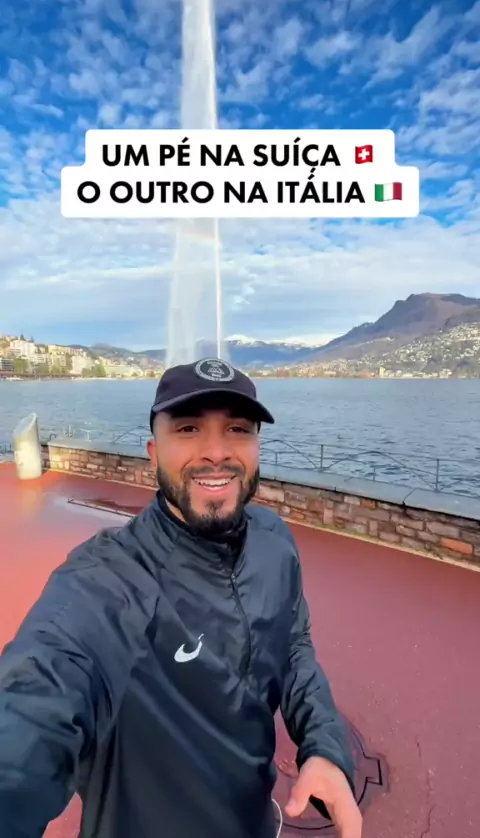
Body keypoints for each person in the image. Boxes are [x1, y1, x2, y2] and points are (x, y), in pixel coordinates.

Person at [0, 357, 362, 838]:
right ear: (153, 453)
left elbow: (293, 647)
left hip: (255, 819)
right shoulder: (109, 581)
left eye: (238, 429)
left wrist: (324, 744)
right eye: (188, 428)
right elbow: (34, 704)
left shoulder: (274, 541)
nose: (216, 452)